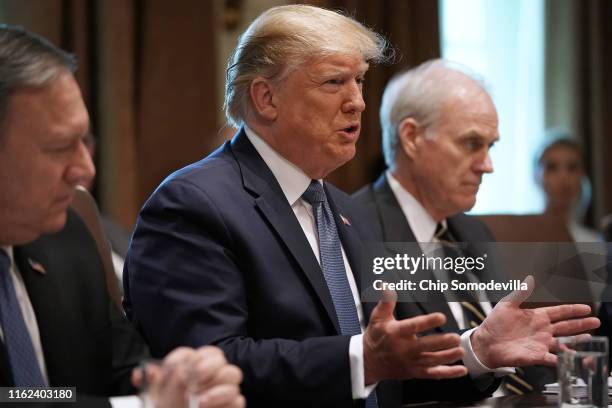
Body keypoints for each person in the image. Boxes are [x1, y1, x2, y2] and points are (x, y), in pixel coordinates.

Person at [124, 7, 598, 407]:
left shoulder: (341, 209)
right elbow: (208, 373)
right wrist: (359, 359)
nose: (357, 103)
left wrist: (478, 351)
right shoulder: (192, 205)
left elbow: (386, 380)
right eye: (334, 82)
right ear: (265, 97)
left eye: (360, 82)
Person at [0, 25, 244, 408]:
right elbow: (14, 398)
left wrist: (178, 382)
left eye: (85, 141)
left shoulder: (65, 240)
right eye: (60, 147)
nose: (85, 171)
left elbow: (122, 367)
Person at [353, 59, 600, 395]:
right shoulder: (354, 228)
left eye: (491, 146)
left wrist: (570, 379)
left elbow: (507, 354)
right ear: (411, 138)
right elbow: (380, 381)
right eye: (472, 143)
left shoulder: (473, 232)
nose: (487, 165)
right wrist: (478, 354)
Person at [536, 134, 602, 242]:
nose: (563, 176)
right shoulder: (520, 238)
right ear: (537, 175)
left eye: (572, 167)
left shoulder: (595, 243)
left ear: (582, 175)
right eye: (552, 167)